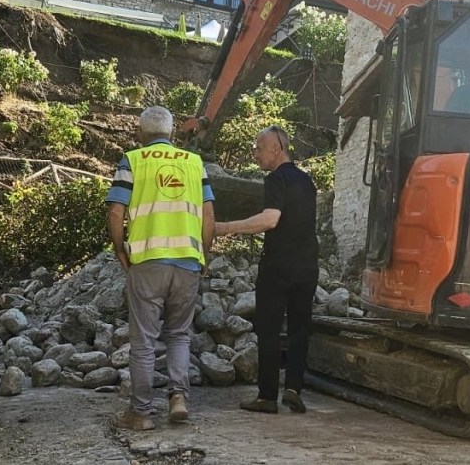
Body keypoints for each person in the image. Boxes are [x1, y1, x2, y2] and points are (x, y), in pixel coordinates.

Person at [106, 106, 215, 430]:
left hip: (147, 262)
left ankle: (140, 413)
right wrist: (204, 254)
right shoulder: (194, 163)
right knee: (179, 335)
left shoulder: (133, 160)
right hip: (187, 261)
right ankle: (178, 397)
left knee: (144, 341)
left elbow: (115, 211)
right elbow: (209, 215)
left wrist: (120, 249)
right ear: (171, 132)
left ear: (141, 133)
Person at [214, 125, 318, 414]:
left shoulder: (276, 179)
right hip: (308, 266)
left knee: (269, 330)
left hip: (278, 266)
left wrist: (225, 228)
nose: (255, 154)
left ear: (276, 148)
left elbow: (270, 219)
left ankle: (267, 397)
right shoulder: (307, 182)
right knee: (299, 330)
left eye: (259, 148)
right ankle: (294, 389)